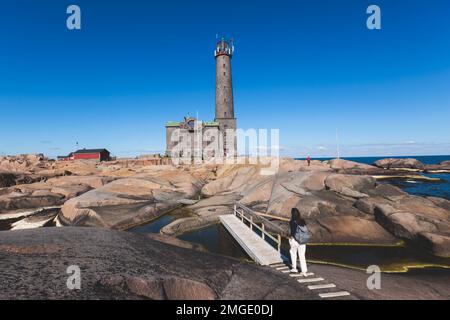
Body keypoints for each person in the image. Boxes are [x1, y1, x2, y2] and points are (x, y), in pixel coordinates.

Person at [289, 208, 309, 276]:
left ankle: (294, 268)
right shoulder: (302, 221)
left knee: (293, 253)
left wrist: (291, 238)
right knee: (302, 256)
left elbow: (292, 232)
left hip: (295, 240)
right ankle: (304, 271)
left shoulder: (292, 221)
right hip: (303, 241)